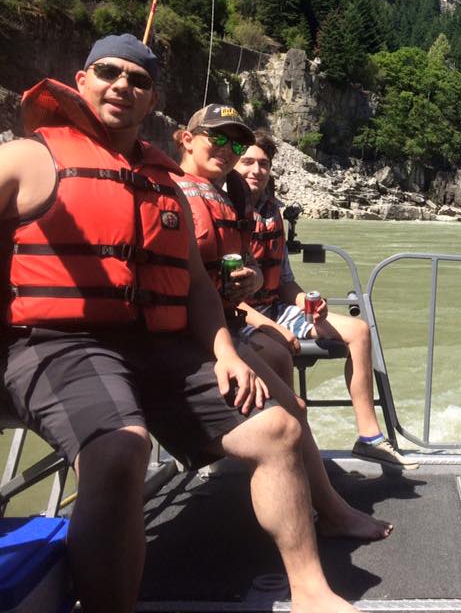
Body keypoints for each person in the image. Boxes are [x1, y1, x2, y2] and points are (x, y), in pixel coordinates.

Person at [0, 34, 385, 613]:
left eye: (138, 80)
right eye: (108, 72)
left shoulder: (162, 184)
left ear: (153, 99)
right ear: (81, 81)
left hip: (160, 346)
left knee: (278, 429)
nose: (122, 86)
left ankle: (311, 591)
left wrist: (225, 352)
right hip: (58, 342)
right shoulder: (29, 157)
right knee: (119, 451)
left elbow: (199, 288)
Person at [234, 132, 418, 470]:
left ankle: (369, 438)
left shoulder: (271, 212)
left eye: (263, 164)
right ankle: (291, 453)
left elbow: (285, 283)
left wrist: (307, 302)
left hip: (273, 309)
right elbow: (221, 296)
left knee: (358, 332)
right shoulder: (221, 209)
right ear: (232, 162)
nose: (256, 170)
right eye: (247, 162)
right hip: (238, 318)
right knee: (278, 349)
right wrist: (273, 328)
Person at [172, 105, 295, 390]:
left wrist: (254, 278)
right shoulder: (166, 190)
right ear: (188, 140)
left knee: (285, 371)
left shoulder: (231, 202)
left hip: (228, 322)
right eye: (217, 138)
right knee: (285, 407)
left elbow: (251, 264)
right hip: (184, 331)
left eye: (236, 145)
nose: (227, 150)